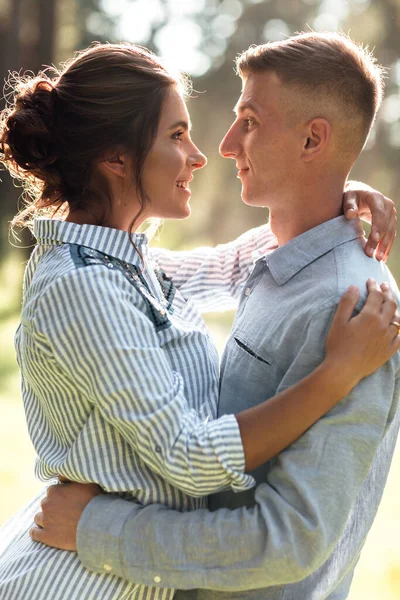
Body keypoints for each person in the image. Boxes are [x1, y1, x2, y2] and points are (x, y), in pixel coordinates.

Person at [0, 39, 398, 600]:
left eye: (248, 121)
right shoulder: (85, 283)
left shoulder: (129, 263)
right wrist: (336, 375)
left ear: (314, 138)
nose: (209, 151)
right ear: (116, 159)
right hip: (76, 584)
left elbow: (237, 263)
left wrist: (345, 192)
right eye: (176, 135)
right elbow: (187, 455)